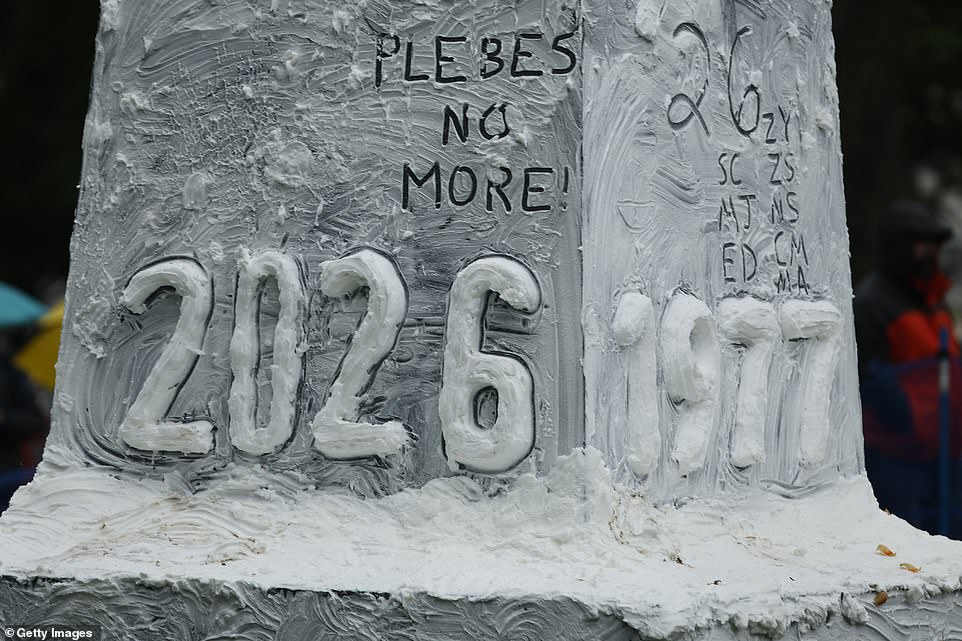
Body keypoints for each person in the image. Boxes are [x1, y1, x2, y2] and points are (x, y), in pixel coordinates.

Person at [854, 202, 962, 538]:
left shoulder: (933, 301)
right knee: (907, 550)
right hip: (897, 461)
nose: (930, 253)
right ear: (899, 246)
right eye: (921, 244)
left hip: (944, 456)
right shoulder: (871, 304)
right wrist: (912, 423)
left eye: (934, 245)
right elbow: (872, 381)